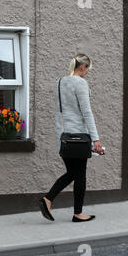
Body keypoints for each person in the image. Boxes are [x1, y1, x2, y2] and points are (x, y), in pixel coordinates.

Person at [39, 53, 105, 223]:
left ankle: (48, 200)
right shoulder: (81, 83)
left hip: (63, 136)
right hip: (79, 137)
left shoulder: (59, 82)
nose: (87, 73)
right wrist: (96, 139)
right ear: (82, 67)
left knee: (72, 173)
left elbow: (61, 112)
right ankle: (77, 213)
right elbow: (86, 112)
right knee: (80, 174)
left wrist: (60, 136)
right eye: (87, 69)